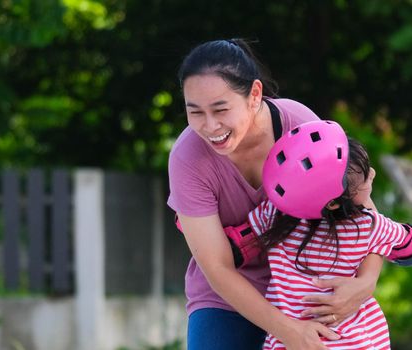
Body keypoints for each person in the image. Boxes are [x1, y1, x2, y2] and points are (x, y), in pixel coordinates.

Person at [167, 38, 385, 350]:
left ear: (254, 95)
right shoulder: (188, 159)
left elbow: (361, 208)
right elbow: (217, 268)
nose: (210, 125)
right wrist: (288, 330)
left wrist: (364, 283)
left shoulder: (298, 126)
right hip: (228, 299)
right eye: (195, 112)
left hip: (308, 290)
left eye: (221, 108)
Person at [223, 120, 410, 349]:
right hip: (354, 342)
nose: (372, 173)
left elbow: (235, 246)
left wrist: (196, 223)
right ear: (333, 203)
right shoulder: (368, 226)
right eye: (366, 181)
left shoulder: (275, 216)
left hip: (290, 341)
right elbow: (407, 246)